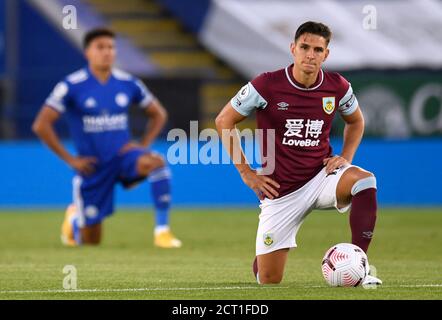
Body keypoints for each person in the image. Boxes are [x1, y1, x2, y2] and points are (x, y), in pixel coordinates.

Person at [215, 21, 381, 285]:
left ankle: (361, 267)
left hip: (322, 176)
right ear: (293, 49)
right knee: (269, 280)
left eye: (317, 49)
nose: (310, 55)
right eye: (304, 47)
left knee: (365, 181)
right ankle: (265, 257)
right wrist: (247, 173)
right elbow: (224, 120)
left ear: (326, 54)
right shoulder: (267, 84)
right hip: (281, 192)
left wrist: (346, 158)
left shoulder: (337, 87)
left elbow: (356, 121)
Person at [32, 28, 181, 248]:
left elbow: (158, 114)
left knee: (156, 162)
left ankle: (162, 232)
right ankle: (74, 220)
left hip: (123, 157)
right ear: (87, 53)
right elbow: (41, 124)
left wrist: (143, 145)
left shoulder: (128, 83)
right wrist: (71, 160)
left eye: (111, 47)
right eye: (100, 47)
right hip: (92, 166)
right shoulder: (72, 85)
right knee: (92, 242)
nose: (107, 52)